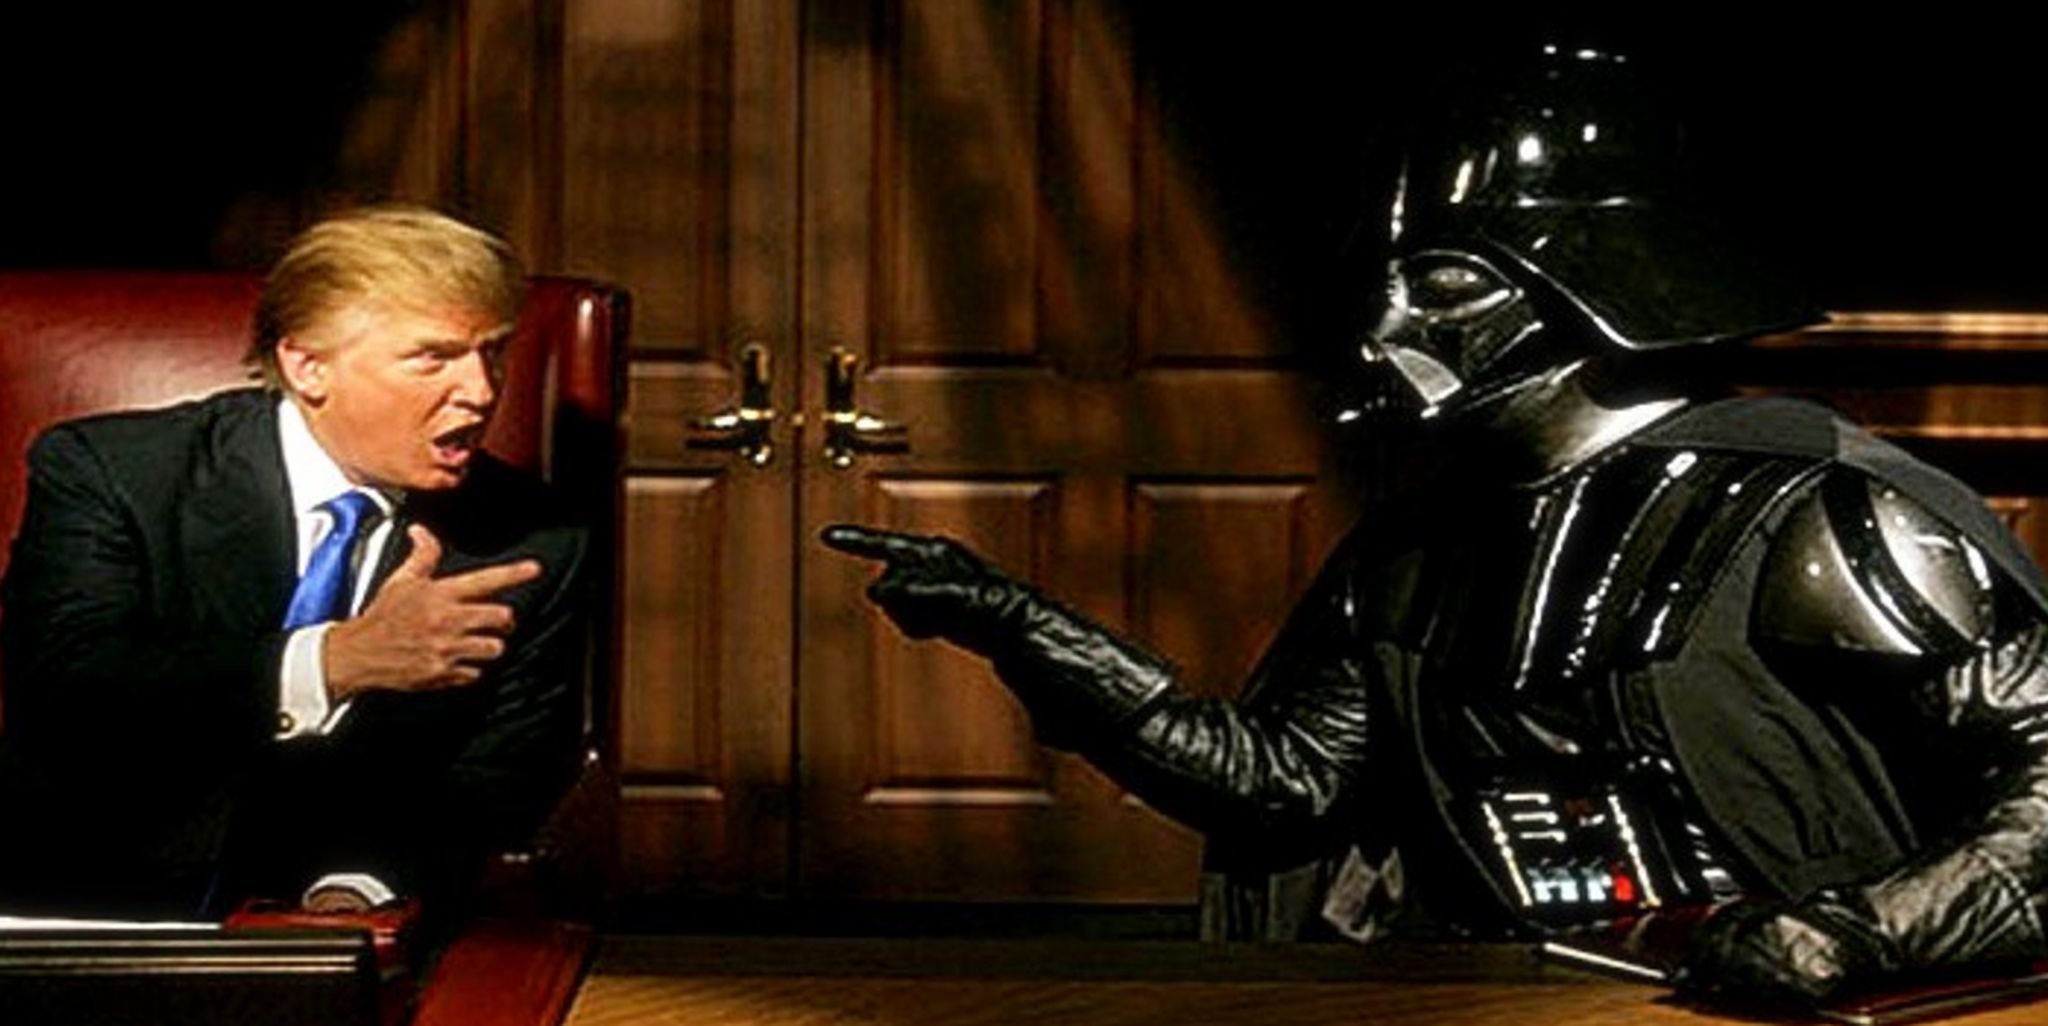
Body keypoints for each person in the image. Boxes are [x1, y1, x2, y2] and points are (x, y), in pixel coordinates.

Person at [823, 45, 2048, 1012]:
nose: (1385, 329)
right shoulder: (1417, 549)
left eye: (1446, 283)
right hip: (1498, 995)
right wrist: (1028, 634)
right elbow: (1283, 787)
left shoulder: (1815, 510)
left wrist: (1860, 934)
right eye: (1389, 284)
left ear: (1592, 285)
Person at [0, 207, 589, 922]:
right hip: (89, 895)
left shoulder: (532, 539)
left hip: (348, 917)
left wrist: (362, 888)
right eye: (433, 358)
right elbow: (68, 692)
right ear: (308, 367)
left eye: (492, 353)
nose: (482, 390)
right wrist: (332, 661)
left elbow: (505, 769)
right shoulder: (114, 472)